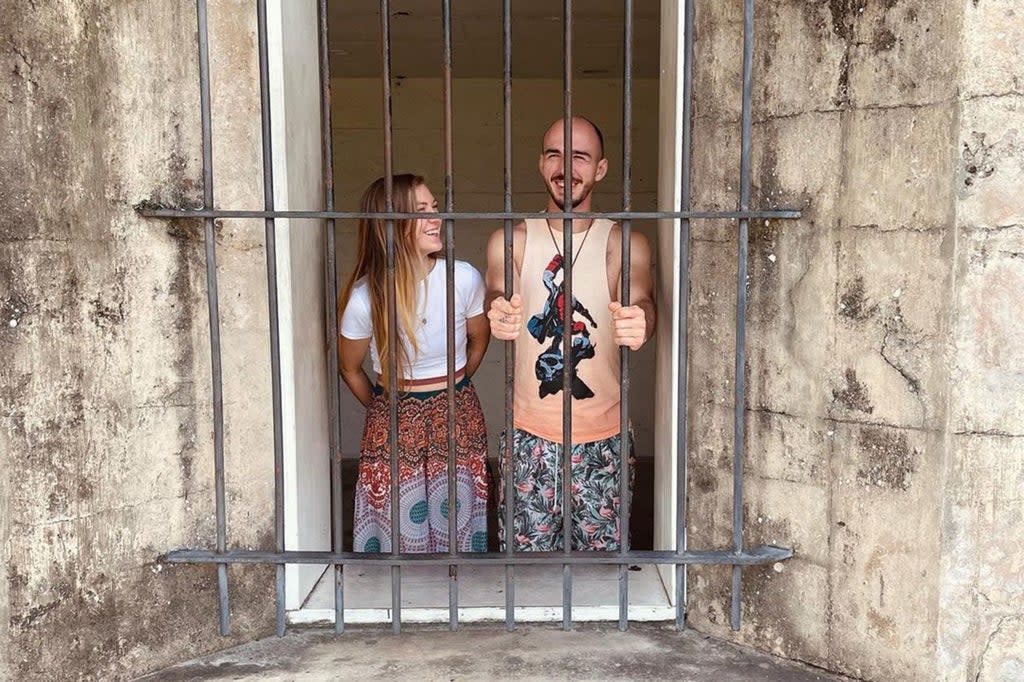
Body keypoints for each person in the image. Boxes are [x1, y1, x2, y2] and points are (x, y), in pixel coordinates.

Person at [485, 117, 655, 551]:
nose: (566, 166)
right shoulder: (514, 237)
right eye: (555, 154)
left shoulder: (622, 240)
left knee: (601, 579)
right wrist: (500, 309)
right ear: (542, 163)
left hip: (605, 440)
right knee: (524, 576)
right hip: (529, 439)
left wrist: (641, 320)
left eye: (579, 156)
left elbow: (638, 295)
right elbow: (499, 286)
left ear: (599, 168)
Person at [339, 173, 491, 553]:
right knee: (397, 533)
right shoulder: (365, 299)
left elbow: (479, 340)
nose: (435, 218)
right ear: (390, 223)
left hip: (458, 416)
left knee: (457, 526)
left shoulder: (463, 279)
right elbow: (350, 368)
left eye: (434, 209)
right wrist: (389, 408)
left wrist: (449, 392)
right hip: (392, 423)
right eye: (421, 211)